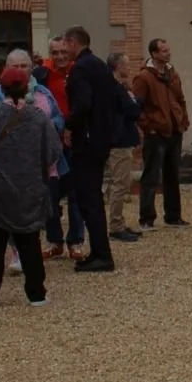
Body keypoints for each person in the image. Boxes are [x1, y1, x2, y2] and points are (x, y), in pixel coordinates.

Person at [0, 67, 61, 309]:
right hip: (30, 188)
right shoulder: (39, 117)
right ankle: (36, 293)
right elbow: (53, 152)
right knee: (30, 241)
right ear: (27, 87)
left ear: (2, 88)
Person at [63, 26, 117, 272]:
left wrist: (69, 125)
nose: (64, 50)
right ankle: (98, 250)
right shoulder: (100, 66)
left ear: (74, 43)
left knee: (89, 199)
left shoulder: (81, 68)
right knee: (92, 196)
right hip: (102, 137)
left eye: (66, 44)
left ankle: (102, 255)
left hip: (87, 140)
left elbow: (83, 103)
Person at [132, 38, 190, 230]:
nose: (168, 53)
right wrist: (148, 126)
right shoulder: (143, 77)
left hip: (174, 130)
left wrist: (183, 120)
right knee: (151, 175)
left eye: (168, 50)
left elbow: (180, 98)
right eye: (164, 51)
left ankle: (173, 216)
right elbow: (137, 107)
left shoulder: (173, 74)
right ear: (154, 54)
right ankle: (146, 218)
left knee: (172, 174)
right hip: (156, 132)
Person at [37, 38, 84, 260]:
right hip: (49, 142)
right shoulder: (41, 75)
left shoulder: (78, 72)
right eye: (55, 52)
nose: (60, 56)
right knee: (50, 194)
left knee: (76, 193)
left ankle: (75, 241)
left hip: (74, 140)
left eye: (64, 51)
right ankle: (54, 240)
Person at [105, 53, 143, 243]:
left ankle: (119, 221)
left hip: (120, 140)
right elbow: (132, 111)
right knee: (120, 184)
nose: (129, 68)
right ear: (118, 66)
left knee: (120, 183)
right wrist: (137, 102)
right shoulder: (116, 88)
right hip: (119, 142)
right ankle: (115, 226)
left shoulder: (116, 87)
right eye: (126, 65)